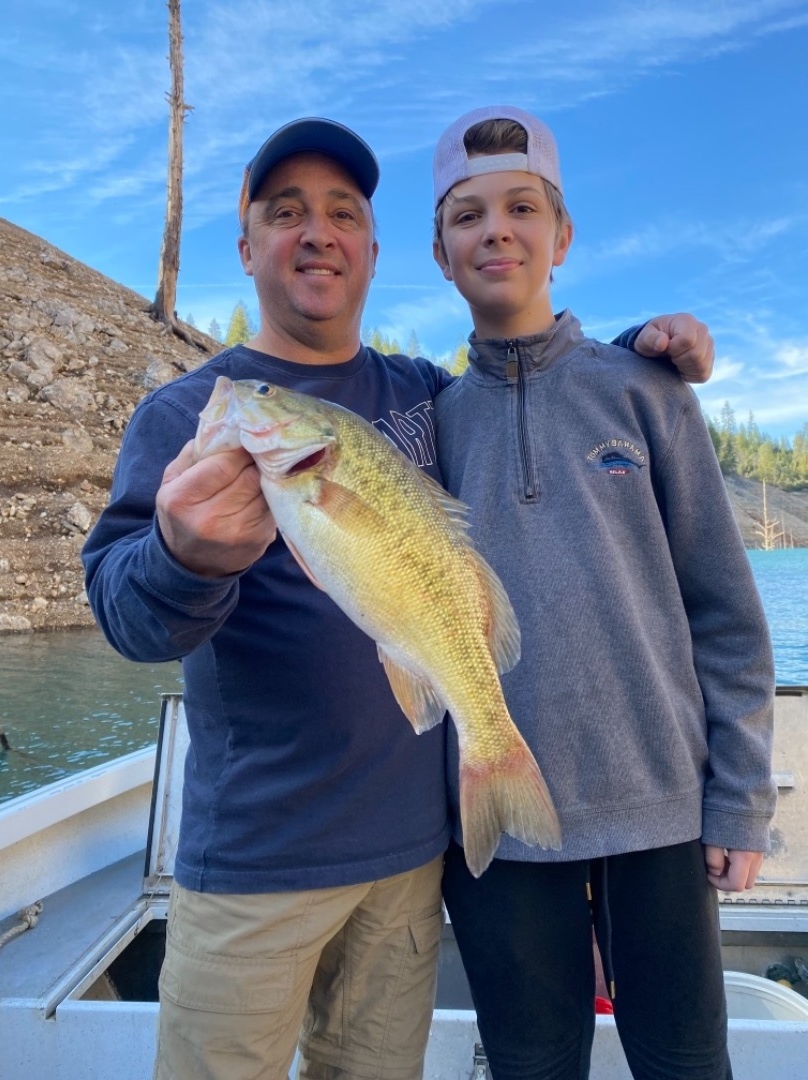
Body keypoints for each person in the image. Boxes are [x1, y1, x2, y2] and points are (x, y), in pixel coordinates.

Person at [82, 116, 716, 1080]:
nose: (317, 232)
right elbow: (123, 610)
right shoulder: (189, 413)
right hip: (255, 865)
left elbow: (529, 387)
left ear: (375, 251)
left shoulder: (424, 394)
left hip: (411, 867)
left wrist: (638, 355)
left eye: (342, 213)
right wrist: (182, 554)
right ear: (247, 245)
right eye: (285, 212)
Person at [431, 105, 776, 1080]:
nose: (496, 229)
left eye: (522, 206)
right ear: (440, 251)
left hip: (659, 813)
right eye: (467, 214)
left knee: (685, 1063)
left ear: (563, 235)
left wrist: (740, 796)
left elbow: (725, 612)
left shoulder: (648, 390)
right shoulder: (429, 421)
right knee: (533, 1066)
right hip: (496, 833)